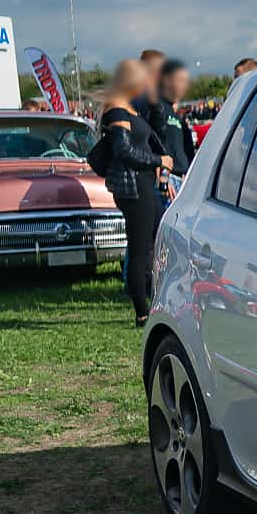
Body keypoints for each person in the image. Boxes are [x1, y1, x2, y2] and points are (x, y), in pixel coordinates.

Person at [98, 58, 172, 325]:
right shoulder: (117, 110)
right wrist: (157, 160)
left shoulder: (131, 107)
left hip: (143, 182)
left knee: (155, 240)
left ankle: (152, 301)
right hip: (132, 186)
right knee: (140, 248)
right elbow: (124, 151)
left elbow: (152, 135)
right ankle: (142, 312)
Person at [151, 59, 195, 187]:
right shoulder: (159, 108)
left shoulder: (175, 114)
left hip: (182, 178)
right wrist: (164, 177)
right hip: (169, 178)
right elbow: (156, 144)